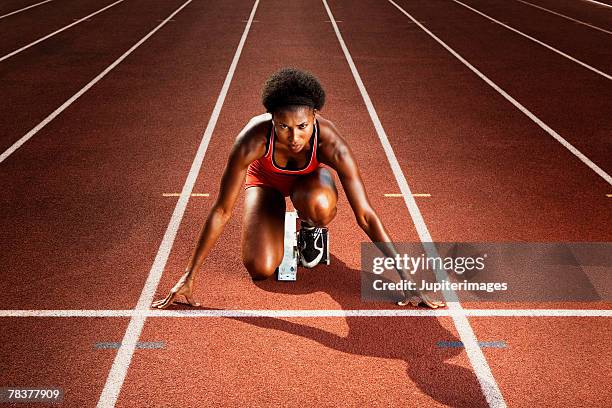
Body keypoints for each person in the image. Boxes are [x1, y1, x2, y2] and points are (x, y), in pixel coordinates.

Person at [152, 67, 445, 309]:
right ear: (272, 120)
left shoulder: (332, 144)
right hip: (265, 184)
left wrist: (406, 277)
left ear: (315, 117)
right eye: (284, 127)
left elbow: (365, 214)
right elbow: (222, 210)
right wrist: (189, 275)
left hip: (310, 185)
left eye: (302, 127)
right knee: (261, 269)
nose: (294, 137)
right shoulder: (251, 141)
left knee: (319, 205)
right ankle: (278, 221)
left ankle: (310, 227)